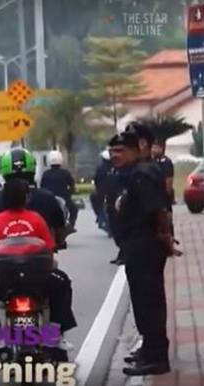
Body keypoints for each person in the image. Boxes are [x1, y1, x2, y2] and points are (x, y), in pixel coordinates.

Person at [0, 148, 75, 355]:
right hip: (39, 273)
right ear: (27, 197)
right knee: (62, 285)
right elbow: (53, 238)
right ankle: (55, 334)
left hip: (3, 276)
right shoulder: (44, 204)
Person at [108, 132, 173, 376]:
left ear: (137, 150)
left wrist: (165, 237)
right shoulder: (138, 172)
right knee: (143, 301)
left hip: (144, 245)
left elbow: (158, 210)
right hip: (137, 244)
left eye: (121, 151)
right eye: (113, 152)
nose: (115, 156)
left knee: (149, 303)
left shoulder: (140, 175)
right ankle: (149, 348)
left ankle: (156, 357)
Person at [40, 151, 78, 231]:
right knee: (74, 209)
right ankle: (71, 224)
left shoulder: (46, 174)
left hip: (49, 199)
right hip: (64, 199)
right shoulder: (66, 173)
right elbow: (72, 186)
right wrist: (70, 192)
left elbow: (41, 187)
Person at [152, 137, 175, 235]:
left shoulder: (166, 162)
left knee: (167, 223)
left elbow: (168, 183)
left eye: (157, 147)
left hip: (164, 199)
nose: (155, 150)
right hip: (152, 199)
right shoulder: (149, 162)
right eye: (153, 147)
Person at [91, 150, 112, 234]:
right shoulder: (115, 167)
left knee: (94, 200)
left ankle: (99, 217)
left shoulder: (100, 168)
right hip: (112, 192)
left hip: (101, 192)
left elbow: (95, 180)